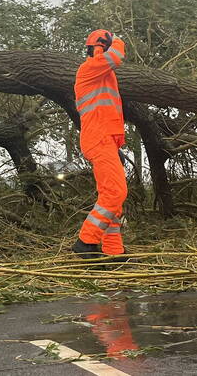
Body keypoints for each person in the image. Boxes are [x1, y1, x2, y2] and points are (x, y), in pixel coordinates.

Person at [72, 29, 128, 259]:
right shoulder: (89, 69)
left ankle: (113, 250)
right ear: (98, 49)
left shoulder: (103, 75)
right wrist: (117, 39)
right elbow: (115, 56)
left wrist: (116, 147)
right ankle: (86, 241)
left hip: (106, 139)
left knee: (111, 197)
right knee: (116, 192)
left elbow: (107, 112)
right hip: (98, 138)